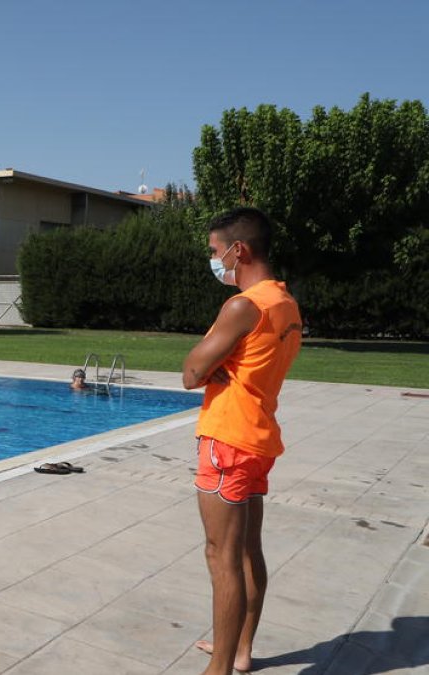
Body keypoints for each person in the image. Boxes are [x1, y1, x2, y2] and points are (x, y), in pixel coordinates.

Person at [181, 207, 302, 675]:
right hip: (257, 439)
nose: (215, 260)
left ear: (239, 250)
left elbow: (191, 372)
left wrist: (209, 366)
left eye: (216, 251)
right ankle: (240, 650)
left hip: (228, 439)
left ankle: (219, 670)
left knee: (222, 555)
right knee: (249, 548)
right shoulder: (285, 303)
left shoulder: (242, 306)